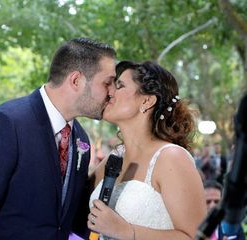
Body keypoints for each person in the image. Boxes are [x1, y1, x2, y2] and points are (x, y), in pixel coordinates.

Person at [0, 38, 116, 240]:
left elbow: (65, 220)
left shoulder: (81, 139)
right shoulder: (5, 124)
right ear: (75, 81)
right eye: (107, 82)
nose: (113, 91)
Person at [88, 60, 207, 239]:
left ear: (147, 100)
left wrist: (126, 231)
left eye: (119, 86)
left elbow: (196, 236)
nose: (110, 92)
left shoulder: (171, 158)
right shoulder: (114, 157)